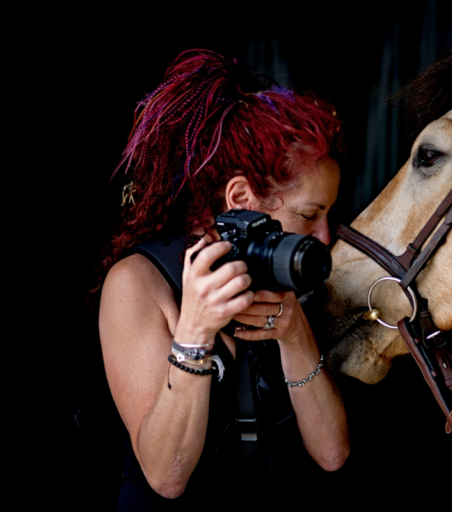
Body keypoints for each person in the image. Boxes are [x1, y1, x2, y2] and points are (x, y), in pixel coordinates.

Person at [97, 49, 349, 510]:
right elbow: (165, 476)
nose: (325, 237)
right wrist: (193, 333)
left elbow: (332, 454)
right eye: (310, 214)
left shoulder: (286, 282)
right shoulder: (138, 284)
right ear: (240, 197)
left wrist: (296, 338)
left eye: (328, 214)